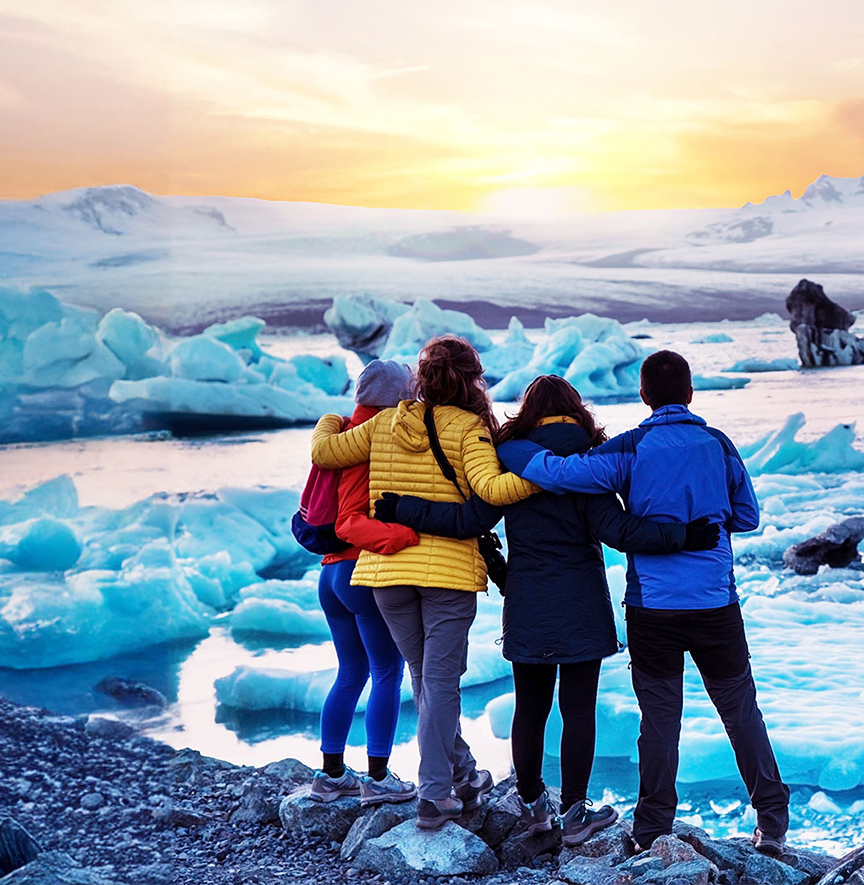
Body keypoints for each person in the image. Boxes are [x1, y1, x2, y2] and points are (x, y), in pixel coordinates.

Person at [375, 374, 722, 846]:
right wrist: (685, 535)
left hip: (528, 601)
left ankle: (535, 807)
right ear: (576, 411)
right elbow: (620, 532)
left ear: (529, 412)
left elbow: (467, 521)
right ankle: (576, 813)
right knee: (578, 709)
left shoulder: (509, 462)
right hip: (581, 602)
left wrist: (402, 507)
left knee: (530, 709)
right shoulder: (589, 464)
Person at [496, 351, 791, 855]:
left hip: (653, 608)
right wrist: (703, 518)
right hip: (715, 602)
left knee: (659, 720)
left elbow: (561, 474)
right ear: (691, 392)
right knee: (740, 709)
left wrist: (510, 450)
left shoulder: (631, 449)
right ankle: (772, 818)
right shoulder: (719, 444)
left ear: (644, 395)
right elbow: (747, 517)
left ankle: (653, 827)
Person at [310, 335, 537, 830]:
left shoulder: (386, 422)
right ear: (472, 379)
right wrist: (548, 474)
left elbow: (327, 453)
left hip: (386, 575)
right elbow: (492, 490)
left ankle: (465, 773)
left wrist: (331, 417)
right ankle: (434, 795)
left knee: (424, 679)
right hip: (446, 575)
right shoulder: (469, 427)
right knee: (438, 682)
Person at [309, 359, 419, 806]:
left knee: (351, 672)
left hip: (330, 574)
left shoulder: (336, 433)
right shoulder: (370, 441)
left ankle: (331, 773)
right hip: (359, 572)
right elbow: (351, 521)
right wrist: (406, 535)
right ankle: (377, 777)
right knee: (387, 673)